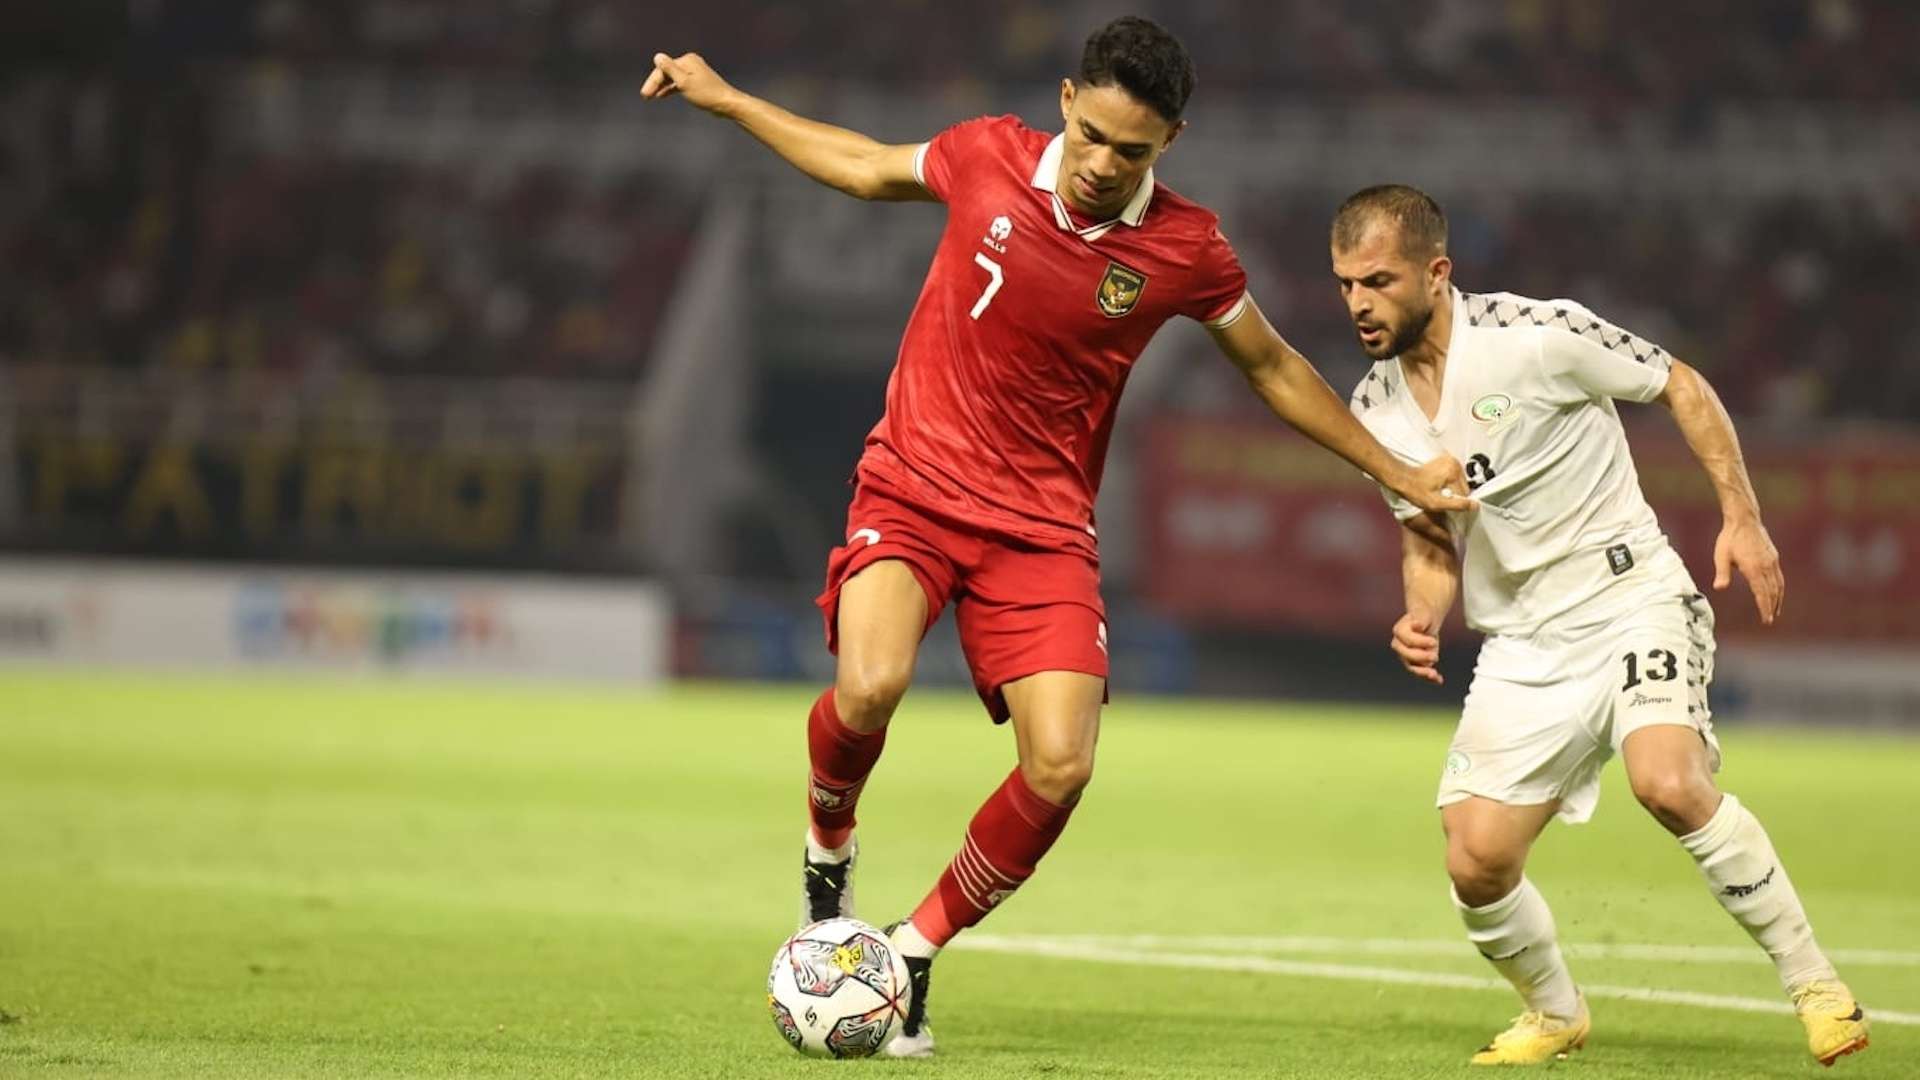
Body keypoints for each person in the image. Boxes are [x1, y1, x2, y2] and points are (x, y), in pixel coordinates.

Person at [644, 18, 1471, 1057]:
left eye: (1133, 152)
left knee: (1062, 764)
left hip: (1040, 530)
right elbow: (860, 166)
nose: (1102, 165)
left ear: (1169, 142)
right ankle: (827, 849)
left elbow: (1271, 367)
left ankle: (907, 953)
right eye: (1095, 137)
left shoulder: (1185, 248)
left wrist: (1393, 467)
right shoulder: (986, 153)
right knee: (868, 688)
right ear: (1069, 102)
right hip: (914, 485)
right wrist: (730, 101)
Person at [1332, 184, 1870, 1067]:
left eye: (1378, 280)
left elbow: (1682, 387)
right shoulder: (1373, 409)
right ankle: (1554, 1012)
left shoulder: (1537, 335)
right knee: (1474, 859)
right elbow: (1430, 535)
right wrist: (1421, 612)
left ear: (1436, 270)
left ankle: (1817, 987)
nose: (1358, 302)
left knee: (1666, 781)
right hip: (1524, 643)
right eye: (1345, 283)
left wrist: (1742, 514)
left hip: (1631, 600)